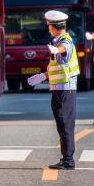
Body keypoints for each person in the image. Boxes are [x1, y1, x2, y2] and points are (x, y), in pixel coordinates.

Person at [33, 10, 80, 170]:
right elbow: (59, 66)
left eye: (49, 26)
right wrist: (43, 76)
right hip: (59, 89)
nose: (48, 29)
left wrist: (56, 50)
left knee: (65, 123)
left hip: (65, 90)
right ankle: (65, 158)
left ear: (54, 27)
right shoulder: (56, 41)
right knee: (62, 123)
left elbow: (64, 49)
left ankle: (68, 160)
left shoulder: (65, 41)